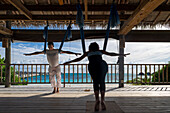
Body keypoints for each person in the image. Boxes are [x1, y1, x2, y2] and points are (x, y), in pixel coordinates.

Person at [63, 42, 130, 111]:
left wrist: (68, 62)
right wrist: (121, 54)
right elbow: (111, 54)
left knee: (95, 82)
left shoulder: (88, 53)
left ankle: (97, 100)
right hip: (101, 65)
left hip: (92, 66)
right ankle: (103, 100)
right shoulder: (100, 51)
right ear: (97, 47)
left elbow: (78, 59)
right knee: (102, 82)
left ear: (90, 47)